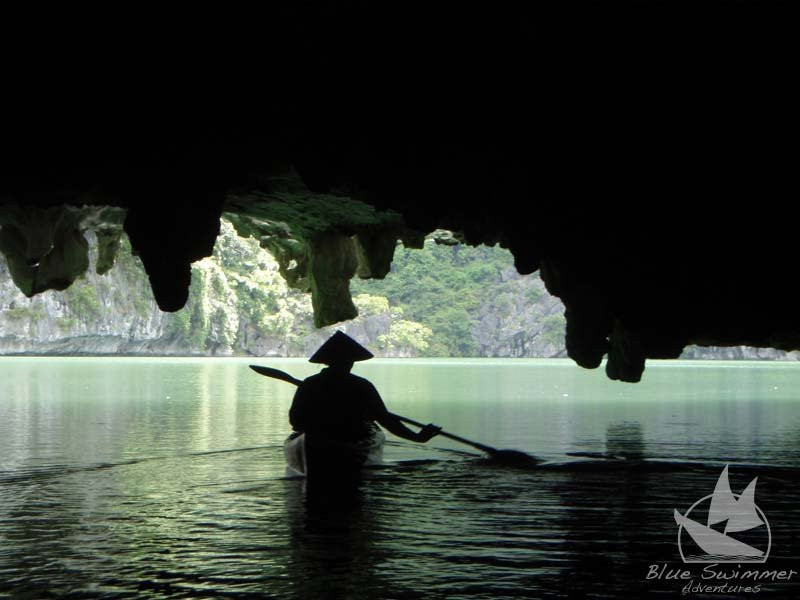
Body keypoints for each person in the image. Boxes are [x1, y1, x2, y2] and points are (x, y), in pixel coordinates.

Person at [289, 331, 441, 476]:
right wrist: (417, 437)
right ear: (351, 362)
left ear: (327, 361)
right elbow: (385, 419)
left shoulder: (309, 384)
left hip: (315, 442)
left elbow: (295, 421)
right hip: (352, 438)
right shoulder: (362, 386)